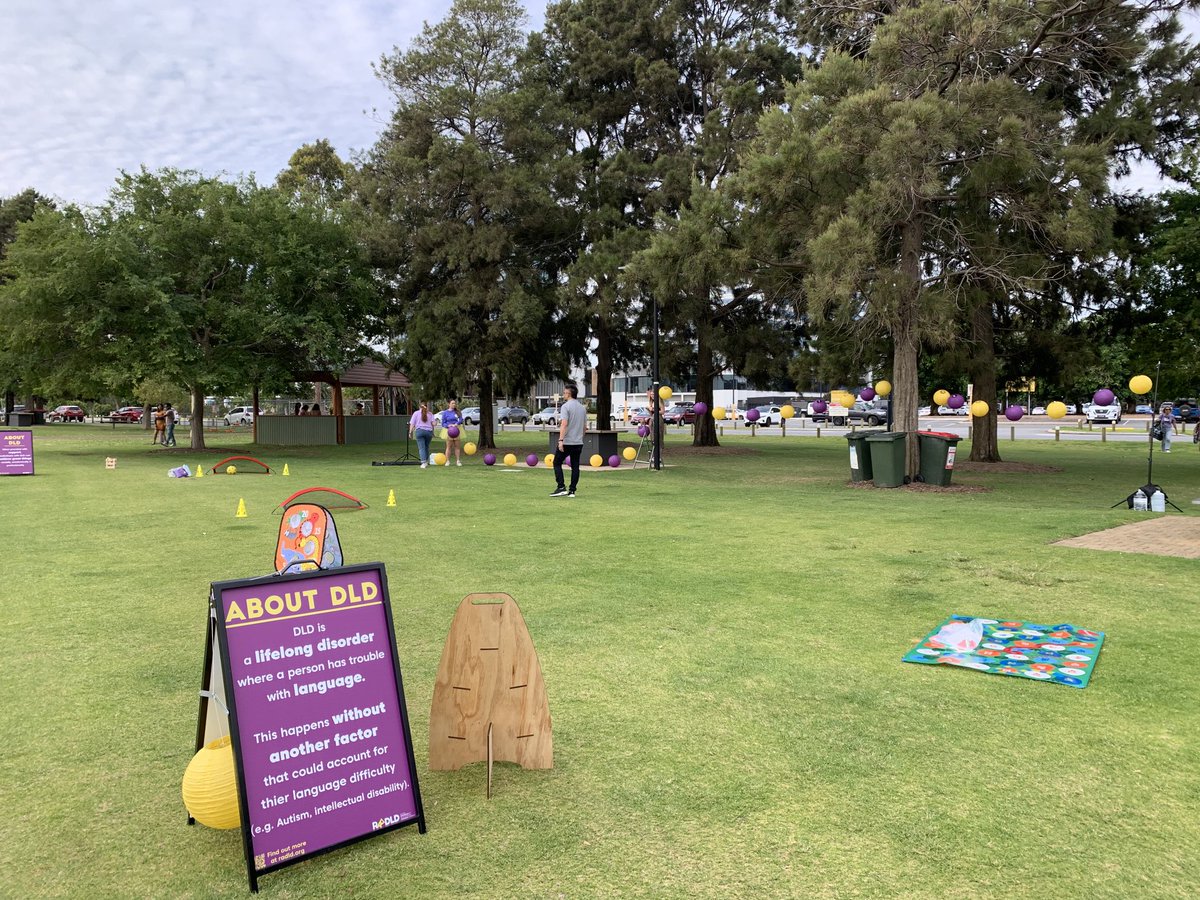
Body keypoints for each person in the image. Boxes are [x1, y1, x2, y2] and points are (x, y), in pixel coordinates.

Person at [550, 384, 587, 497]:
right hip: (578, 442)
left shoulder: (566, 407)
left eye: (564, 392)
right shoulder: (582, 408)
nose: (563, 394)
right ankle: (572, 490)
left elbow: (564, 424)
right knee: (575, 466)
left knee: (556, 462)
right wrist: (580, 438)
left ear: (569, 394)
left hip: (567, 442)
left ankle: (561, 487)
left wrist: (561, 440)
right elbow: (584, 427)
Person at [409, 401, 435, 468]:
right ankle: (426, 461)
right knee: (426, 447)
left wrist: (410, 432)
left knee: (421, 448)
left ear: (419, 406)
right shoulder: (430, 414)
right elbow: (434, 424)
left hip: (419, 431)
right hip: (429, 432)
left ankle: (423, 462)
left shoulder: (416, 413)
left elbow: (412, 423)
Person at [441, 399, 464, 466]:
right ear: (449, 404)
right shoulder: (445, 413)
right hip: (449, 431)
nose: (454, 404)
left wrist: (456, 424)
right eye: (452, 403)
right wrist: (448, 425)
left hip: (457, 429)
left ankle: (458, 460)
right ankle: (447, 461)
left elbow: (461, 419)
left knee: (457, 446)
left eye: (454, 403)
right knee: (448, 446)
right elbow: (443, 423)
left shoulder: (457, 412)